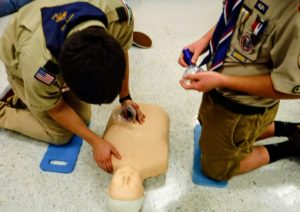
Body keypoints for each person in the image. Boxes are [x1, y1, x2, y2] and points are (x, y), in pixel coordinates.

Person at [0, 0, 146, 173]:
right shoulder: (39, 68)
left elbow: (121, 51)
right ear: (65, 82)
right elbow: (56, 109)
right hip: (19, 54)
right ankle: (5, 108)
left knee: (82, 118)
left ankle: (26, 97)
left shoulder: (119, 17)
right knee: (61, 135)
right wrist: (95, 141)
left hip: (48, 37)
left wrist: (125, 97)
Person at [178, 0, 300, 180]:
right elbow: (238, 17)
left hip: (241, 109)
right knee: (208, 125)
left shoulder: (294, 17)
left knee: (216, 170)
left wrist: (223, 80)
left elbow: (289, 88)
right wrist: (203, 42)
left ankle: (292, 146)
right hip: (217, 90)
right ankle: (288, 128)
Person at [103, 104, 169, 212]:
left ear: (109, 188)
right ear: (142, 190)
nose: (126, 178)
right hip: (155, 112)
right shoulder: (158, 162)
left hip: (125, 109)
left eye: (118, 185)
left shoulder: (105, 157)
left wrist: (96, 142)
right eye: (130, 186)